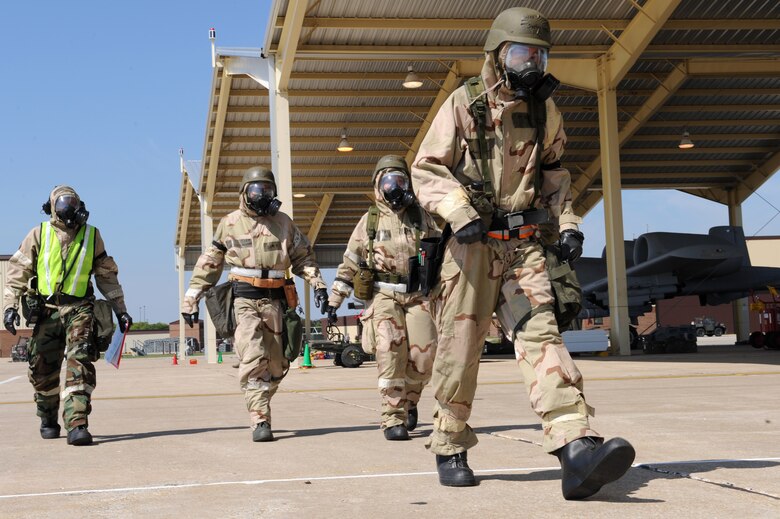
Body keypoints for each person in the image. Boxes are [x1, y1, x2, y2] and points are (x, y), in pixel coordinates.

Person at [410, 7, 635, 498]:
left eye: (539, 53)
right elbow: (425, 168)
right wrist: (458, 212)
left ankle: (575, 447)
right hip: (470, 251)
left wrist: (568, 224)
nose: (531, 62)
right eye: (520, 52)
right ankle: (450, 444)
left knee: (543, 337)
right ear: (496, 54)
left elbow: (554, 176)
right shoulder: (463, 104)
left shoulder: (545, 112)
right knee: (459, 352)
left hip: (523, 248)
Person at [181, 166, 328, 442]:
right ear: (244, 193)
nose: (262, 196)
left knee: (278, 363)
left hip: (275, 301)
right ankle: (260, 419)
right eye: (257, 191)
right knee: (253, 355)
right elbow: (209, 264)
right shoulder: (229, 223)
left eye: (267, 190)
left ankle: (259, 394)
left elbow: (303, 258)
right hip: (244, 300)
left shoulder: (284, 223)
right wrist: (191, 301)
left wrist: (318, 285)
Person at [2, 185, 132, 446]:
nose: (68, 207)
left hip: (80, 309)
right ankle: (48, 417)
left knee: (80, 363)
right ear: (53, 207)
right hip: (46, 311)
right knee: (42, 372)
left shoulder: (92, 235)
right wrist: (9, 306)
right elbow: (18, 271)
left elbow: (107, 276)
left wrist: (121, 309)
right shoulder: (39, 233)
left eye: (72, 202)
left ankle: (77, 423)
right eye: (63, 203)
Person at [327, 155, 440, 441]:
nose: (395, 187)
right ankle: (392, 418)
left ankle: (409, 400)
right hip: (383, 295)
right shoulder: (369, 222)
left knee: (424, 358)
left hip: (417, 295)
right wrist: (334, 300)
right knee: (390, 355)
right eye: (388, 181)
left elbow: (442, 253)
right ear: (378, 185)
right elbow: (350, 262)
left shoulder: (422, 217)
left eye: (400, 180)